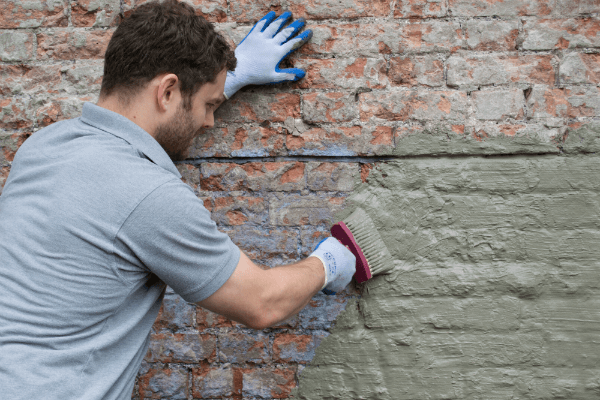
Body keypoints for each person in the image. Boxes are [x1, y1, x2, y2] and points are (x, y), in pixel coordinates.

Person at [0, 1, 356, 399]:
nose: (209, 122)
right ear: (167, 90)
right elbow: (262, 302)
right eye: (208, 106)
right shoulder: (150, 195)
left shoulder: (44, 145)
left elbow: (130, 146)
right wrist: (329, 263)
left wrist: (220, 85)